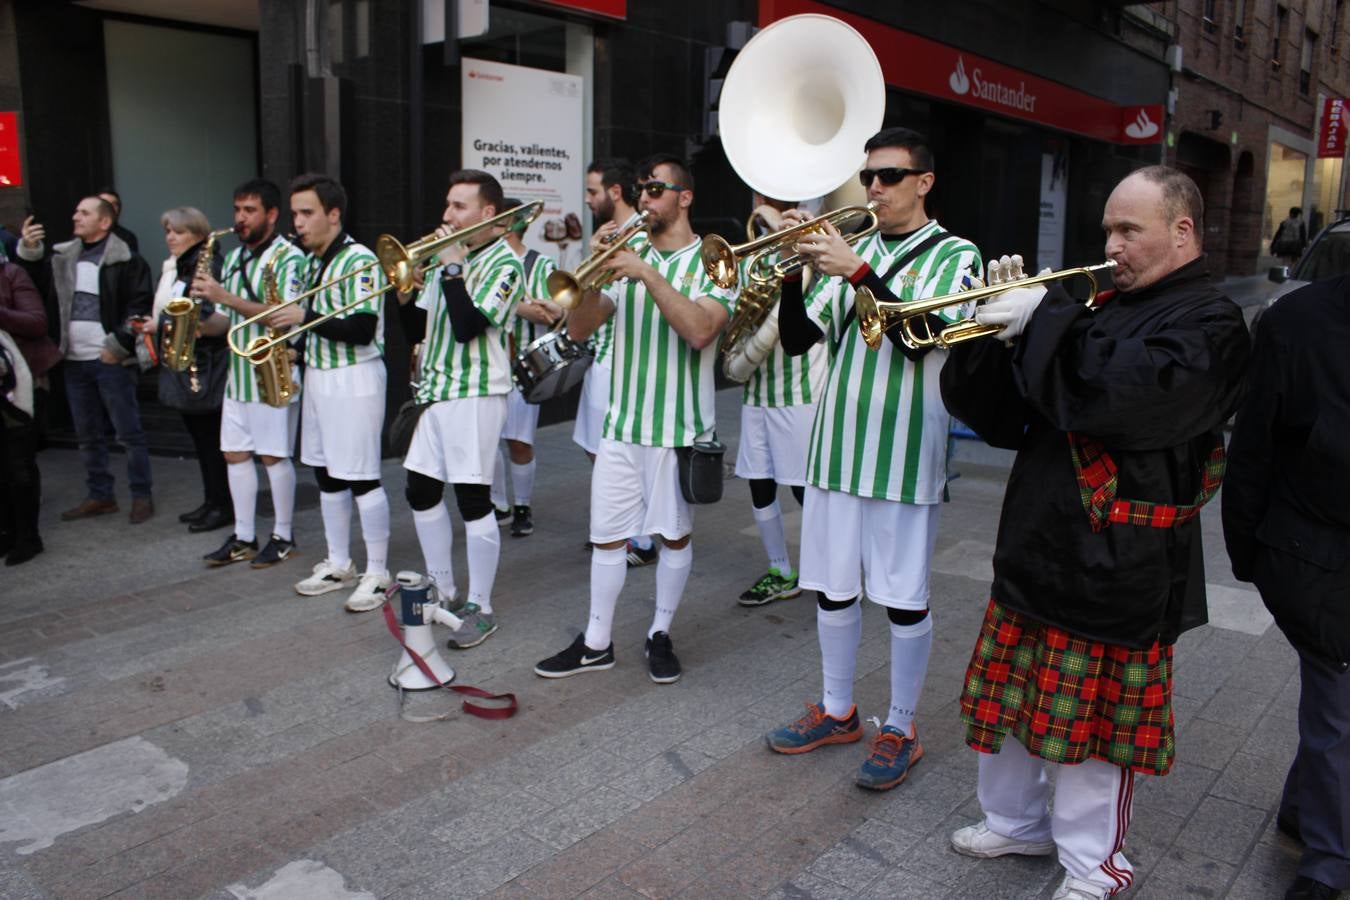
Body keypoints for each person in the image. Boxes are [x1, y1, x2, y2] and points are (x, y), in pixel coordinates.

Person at [938, 165, 1249, 900]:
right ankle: (1014, 824)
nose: (1110, 244)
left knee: (1092, 736)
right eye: (1107, 228)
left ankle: (1094, 866)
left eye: (1127, 230)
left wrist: (1045, 317)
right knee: (1015, 703)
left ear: (1182, 231)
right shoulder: (1100, 308)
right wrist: (987, 331)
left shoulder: (1211, 323)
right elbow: (1008, 419)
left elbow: (1128, 400)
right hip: (1038, 544)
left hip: (1119, 562)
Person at [762, 127, 979, 793]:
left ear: (924, 181)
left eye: (889, 176)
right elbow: (799, 342)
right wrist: (795, 276)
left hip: (903, 454)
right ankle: (837, 710)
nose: (875, 189)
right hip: (834, 451)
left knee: (902, 596)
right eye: (868, 179)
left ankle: (904, 726)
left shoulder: (955, 253)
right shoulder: (851, 251)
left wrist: (856, 268)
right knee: (831, 585)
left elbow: (924, 338)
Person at [534, 153, 734, 684]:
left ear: (684, 197)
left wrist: (646, 272)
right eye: (641, 188)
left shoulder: (714, 260)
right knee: (606, 537)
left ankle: (659, 632)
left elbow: (699, 331)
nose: (643, 197)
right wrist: (597, 275)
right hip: (621, 425)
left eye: (655, 188)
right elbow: (579, 328)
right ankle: (597, 641)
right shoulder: (629, 252)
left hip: (679, 430)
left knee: (673, 536)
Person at [1223, 274, 1350, 900]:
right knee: (1338, 705)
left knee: (1337, 711)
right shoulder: (1296, 323)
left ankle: (1307, 810)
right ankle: (1329, 864)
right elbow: (1253, 448)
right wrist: (1252, 555)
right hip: (1315, 556)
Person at [397, 170, 525, 643]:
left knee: (473, 499)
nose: (446, 216)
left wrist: (451, 266)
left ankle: (481, 605)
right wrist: (405, 289)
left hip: (475, 392)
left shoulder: (504, 264)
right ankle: (441, 585)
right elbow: (417, 330)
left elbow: (469, 324)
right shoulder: (445, 262)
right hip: (436, 391)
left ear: (487, 214)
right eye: (447, 205)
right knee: (420, 490)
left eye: (458, 206)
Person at [270, 173, 391, 611]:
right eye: (295, 214)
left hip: (354, 377)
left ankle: (378, 571)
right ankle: (340, 561)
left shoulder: (358, 259)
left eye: (307, 213)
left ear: (333, 214)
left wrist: (303, 316)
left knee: (361, 476)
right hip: (320, 377)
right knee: (325, 473)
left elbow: (361, 329)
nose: (298, 223)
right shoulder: (311, 261)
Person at [193, 178, 309, 568]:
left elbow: (283, 316)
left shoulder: (289, 257)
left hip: (272, 371)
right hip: (239, 373)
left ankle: (283, 534)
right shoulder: (238, 257)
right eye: (237, 210)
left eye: (249, 211)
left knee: (274, 456)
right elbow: (225, 320)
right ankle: (244, 535)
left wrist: (224, 297)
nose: (240, 219)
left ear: (271, 215)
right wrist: (197, 323)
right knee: (234, 453)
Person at [17, 196, 155, 523]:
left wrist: (118, 346)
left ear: (104, 222)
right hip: (73, 361)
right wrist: (29, 251)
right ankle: (100, 495)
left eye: (84, 212)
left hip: (110, 360)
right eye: (76, 210)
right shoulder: (62, 257)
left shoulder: (127, 260)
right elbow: (31, 289)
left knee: (128, 433)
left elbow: (138, 307)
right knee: (87, 434)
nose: (75, 216)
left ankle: (141, 494)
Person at [730, 194, 827, 607]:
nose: (758, 202)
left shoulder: (815, 242)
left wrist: (793, 238)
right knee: (760, 483)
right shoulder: (755, 252)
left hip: (801, 389)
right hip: (757, 388)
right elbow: (739, 309)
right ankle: (779, 570)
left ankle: (830, 573)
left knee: (808, 491)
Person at [576, 158, 658, 566]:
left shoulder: (639, 238)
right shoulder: (606, 235)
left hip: (624, 362)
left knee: (621, 451)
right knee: (597, 450)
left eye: (592, 191)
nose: (587, 199)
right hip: (600, 355)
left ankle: (639, 538)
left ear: (613, 192)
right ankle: (619, 528)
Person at [152, 207, 231, 533]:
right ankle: (212, 500)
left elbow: (211, 315)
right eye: (168, 231)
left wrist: (192, 327)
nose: (171, 237)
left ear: (198, 234)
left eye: (179, 231)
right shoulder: (179, 267)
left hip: (205, 364)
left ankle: (222, 504)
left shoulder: (205, 264)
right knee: (201, 442)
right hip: (187, 362)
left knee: (212, 442)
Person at [489, 197, 562, 538]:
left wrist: (513, 305)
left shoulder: (539, 264)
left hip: (522, 366)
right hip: (488, 362)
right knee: (487, 441)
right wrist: (520, 306)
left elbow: (549, 313)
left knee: (519, 442)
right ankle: (498, 504)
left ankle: (522, 505)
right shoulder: (484, 262)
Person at [0, 245, 59, 564]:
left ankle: (28, 536)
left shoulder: (11, 273)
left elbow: (37, 322)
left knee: (18, 464)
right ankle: (6, 532)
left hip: (19, 384)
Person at [98, 188, 140, 255]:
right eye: (106, 203)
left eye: (114, 204)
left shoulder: (127, 237)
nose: (110, 207)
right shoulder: (84, 234)